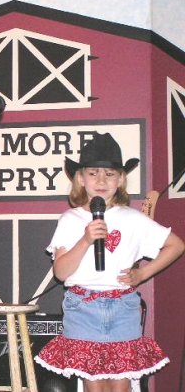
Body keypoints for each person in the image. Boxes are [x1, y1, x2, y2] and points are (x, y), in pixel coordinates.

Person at [34, 133, 185, 392]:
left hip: (123, 307)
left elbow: (176, 245)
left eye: (110, 173)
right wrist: (85, 240)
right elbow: (61, 272)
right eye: (93, 173)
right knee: (95, 385)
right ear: (80, 178)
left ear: (121, 179)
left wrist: (143, 273)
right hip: (83, 307)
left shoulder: (132, 218)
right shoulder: (70, 220)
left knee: (120, 385)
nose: (101, 180)